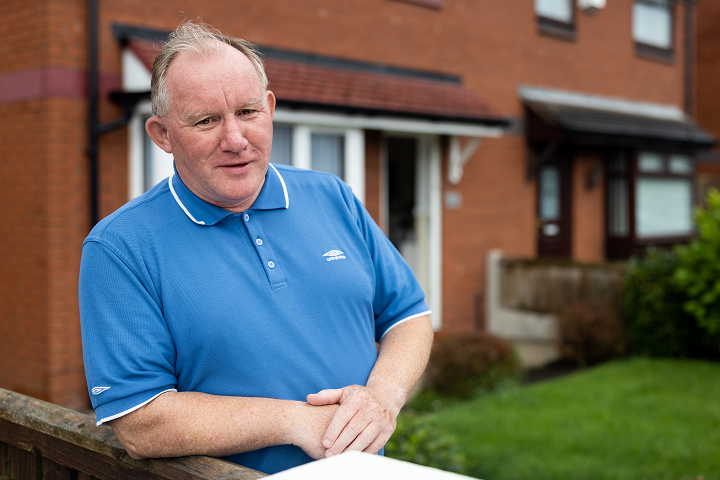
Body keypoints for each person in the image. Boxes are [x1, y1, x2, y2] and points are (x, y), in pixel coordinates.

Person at [79, 22, 433, 475]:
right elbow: (139, 421)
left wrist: (383, 397)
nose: (235, 140)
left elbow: (409, 317)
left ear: (269, 109)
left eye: (247, 112)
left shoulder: (333, 197)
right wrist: (295, 421)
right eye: (206, 120)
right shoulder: (120, 248)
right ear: (162, 135)